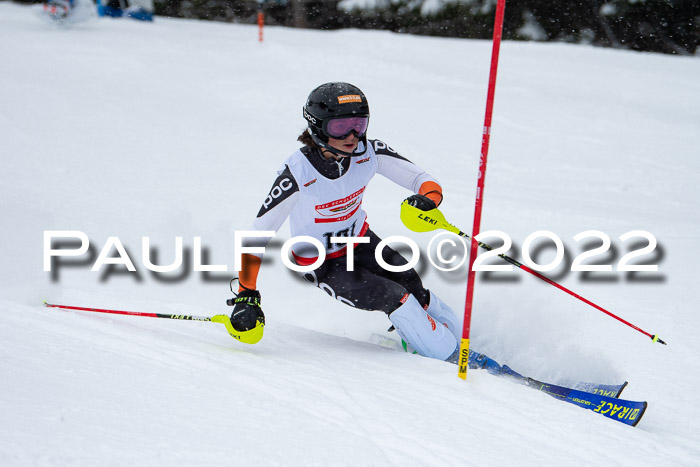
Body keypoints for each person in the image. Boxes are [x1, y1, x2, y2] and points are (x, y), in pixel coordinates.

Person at [227, 82, 461, 363]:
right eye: (340, 128)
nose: (352, 136)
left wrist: (428, 200)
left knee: (410, 281)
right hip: (320, 261)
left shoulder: (369, 152)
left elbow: (421, 180)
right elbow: (258, 235)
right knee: (393, 295)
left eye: (359, 125)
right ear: (317, 127)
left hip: (360, 240)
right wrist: (246, 294)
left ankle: (440, 338)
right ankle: (448, 356)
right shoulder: (297, 173)